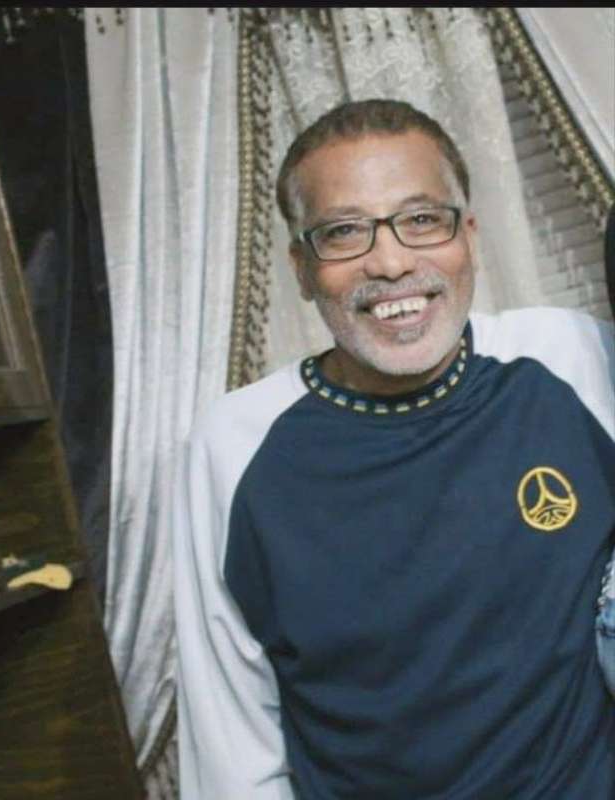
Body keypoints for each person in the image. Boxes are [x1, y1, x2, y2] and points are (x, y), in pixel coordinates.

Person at [174, 99, 615, 799]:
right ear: (301, 268)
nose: (390, 261)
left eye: (422, 219)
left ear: (468, 235)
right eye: (344, 232)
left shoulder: (574, 359)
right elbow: (230, 744)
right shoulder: (231, 448)